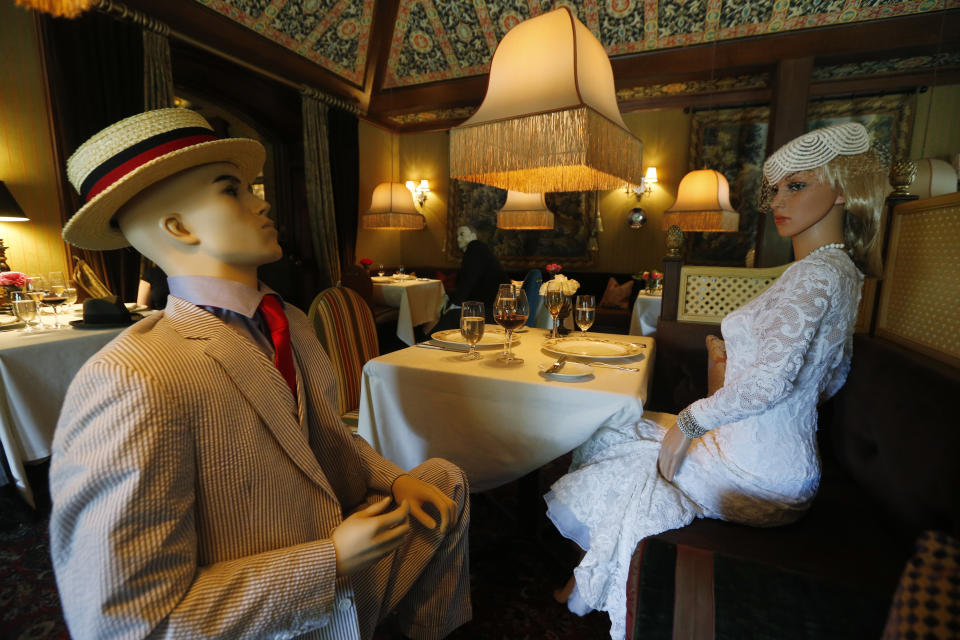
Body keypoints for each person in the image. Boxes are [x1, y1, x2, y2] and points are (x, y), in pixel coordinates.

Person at [49, 108, 471, 640]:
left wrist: (397, 479)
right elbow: (125, 621)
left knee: (445, 481)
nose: (263, 201)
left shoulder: (290, 321)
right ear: (178, 227)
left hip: (346, 558)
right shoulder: (132, 376)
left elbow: (325, 437)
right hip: (268, 607)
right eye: (233, 191)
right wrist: (327, 563)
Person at [544, 122, 886, 640]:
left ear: (841, 188)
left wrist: (691, 421)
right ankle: (590, 579)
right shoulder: (837, 271)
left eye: (797, 186)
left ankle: (591, 585)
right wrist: (730, 376)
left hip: (758, 474)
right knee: (622, 438)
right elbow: (830, 378)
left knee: (621, 449)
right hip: (777, 462)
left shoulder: (817, 274)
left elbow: (773, 383)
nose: (778, 201)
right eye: (775, 189)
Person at [435, 224, 506, 329]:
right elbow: (471, 283)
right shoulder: (479, 251)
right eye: (457, 236)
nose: (458, 239)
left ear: (474, 236)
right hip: (492, 309)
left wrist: (455, 305)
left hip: (491, 312)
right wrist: (447, 296)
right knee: (449, 316)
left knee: (451, 316)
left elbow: (469, 280)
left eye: (462, 234)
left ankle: (426, 344)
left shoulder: (475, 246)